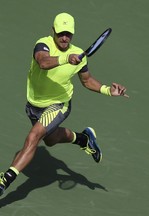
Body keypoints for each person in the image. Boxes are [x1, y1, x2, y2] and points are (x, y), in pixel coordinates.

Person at [0, 12, 128, 196]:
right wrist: (65, 59)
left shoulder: (79, 56)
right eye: (61, 33)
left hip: (59, 104)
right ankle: (84, 139)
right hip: (34, 104)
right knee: (50, 140)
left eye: (68, 33)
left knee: (33, 137)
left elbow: (87, 81)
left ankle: (5, 181)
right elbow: (43, 62)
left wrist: (109, 90)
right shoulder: (43, 44)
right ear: (53, 31)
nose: (64, 37)